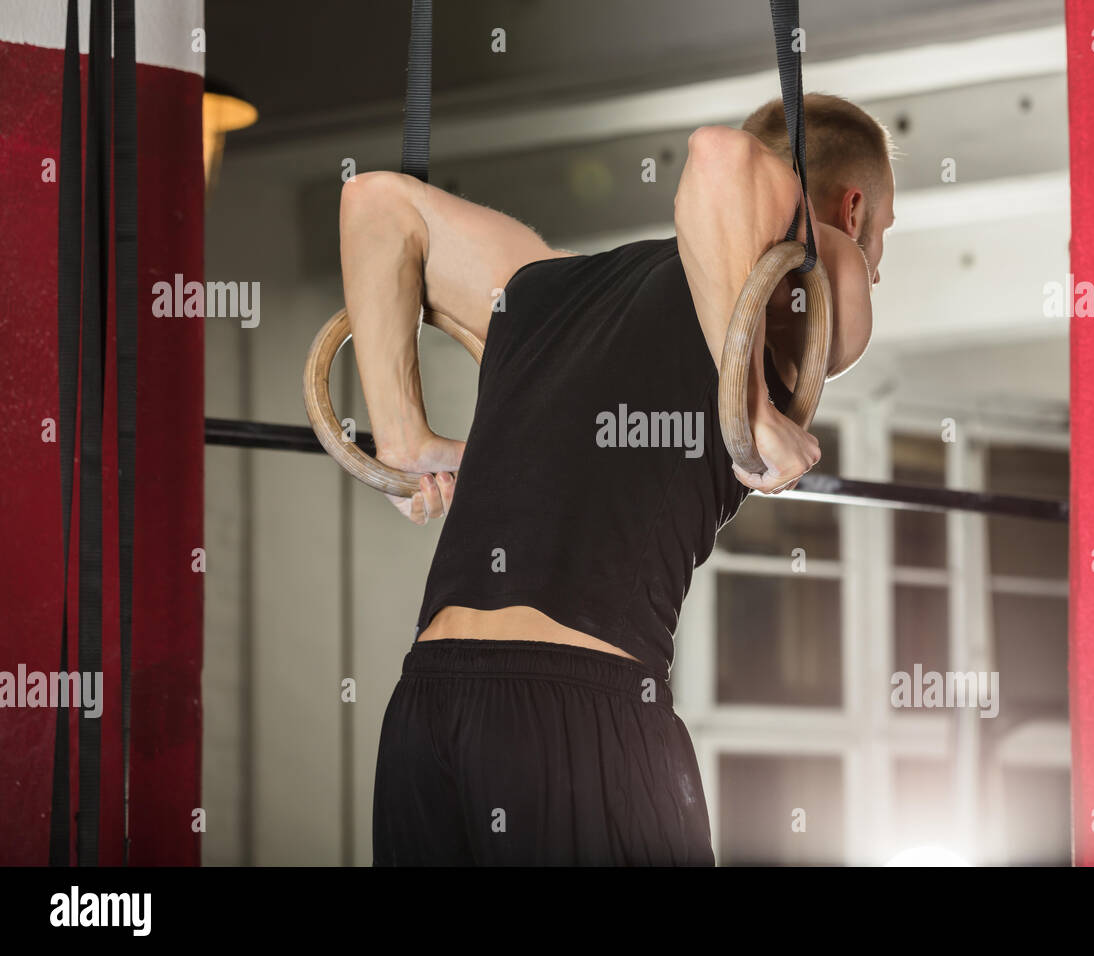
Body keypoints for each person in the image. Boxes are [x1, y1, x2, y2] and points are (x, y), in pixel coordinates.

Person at [343, 93, 895, 865]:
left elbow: (373, 203)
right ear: (855, 208)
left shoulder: (540, 286)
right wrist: (752, 407)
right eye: (886, 236)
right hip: (577, 701)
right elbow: (718, 155)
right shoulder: (823, 261)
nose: (877, 261)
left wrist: (404, 435)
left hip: (426, 712)